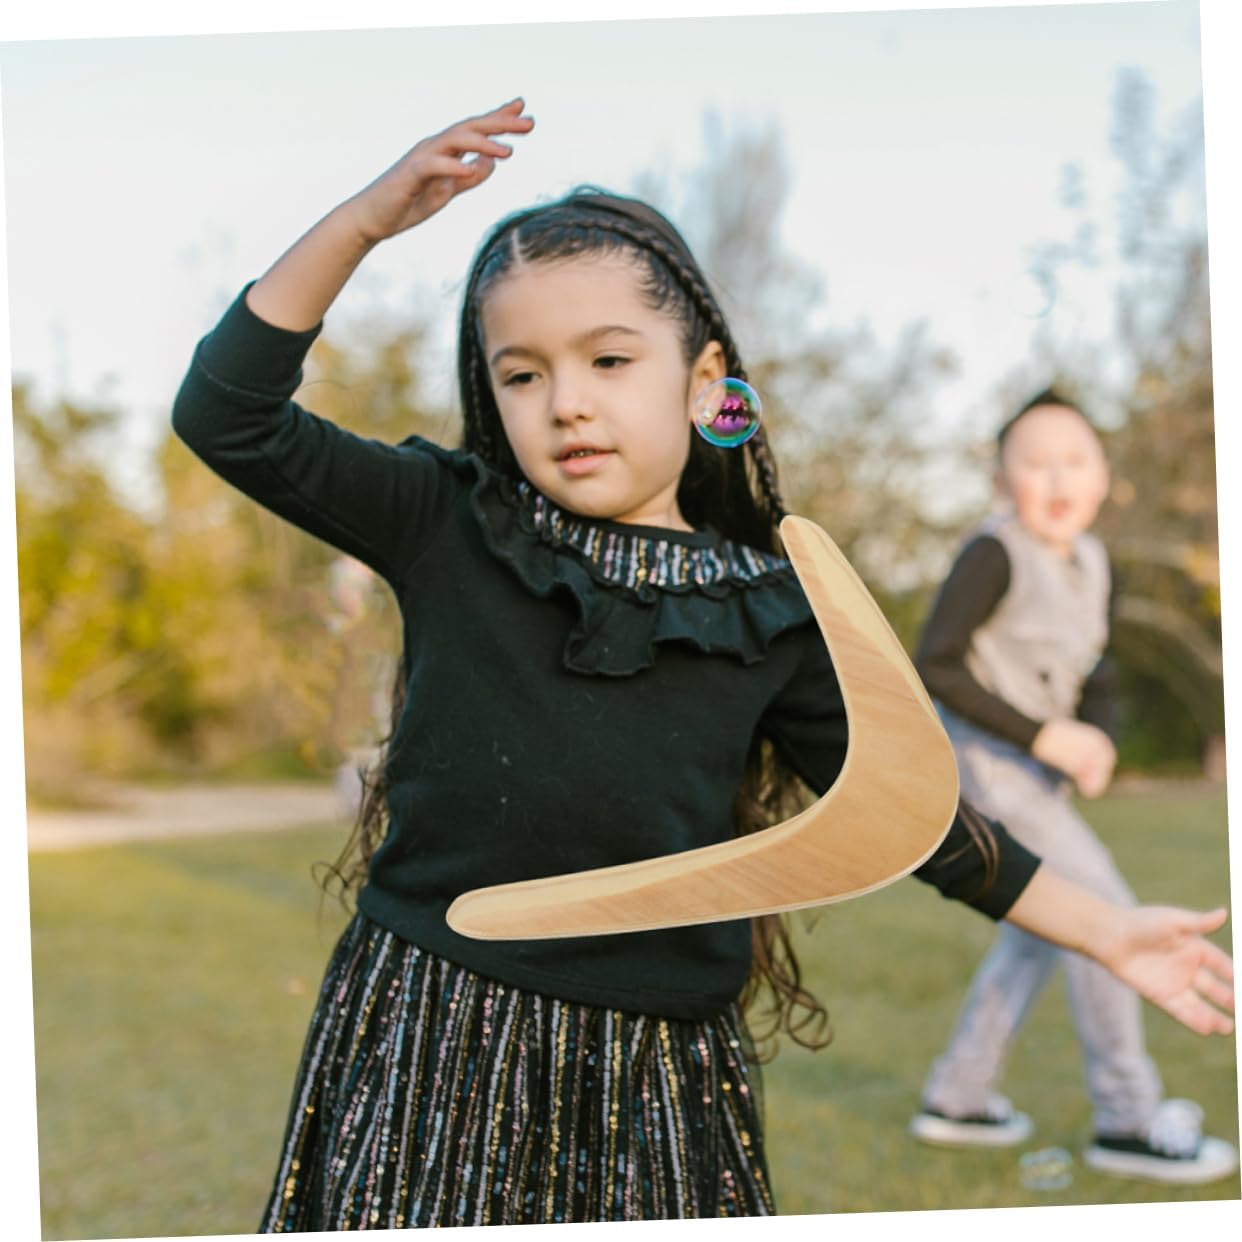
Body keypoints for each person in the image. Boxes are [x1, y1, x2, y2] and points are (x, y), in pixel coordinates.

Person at [171, 100, 1234, 1228]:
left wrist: (1107, 930)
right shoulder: (448, 520)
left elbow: (921, 819)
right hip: (430, 1033)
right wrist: (364, 223)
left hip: (660, 1078)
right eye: (520, 375)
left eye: (609, 359)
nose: (567, 401)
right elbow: (229, 416)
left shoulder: (771, 610)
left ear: (703, 379)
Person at [907, 391, 1238, 1184]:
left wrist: (1099, 738)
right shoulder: (993, 554)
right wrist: (1042, 735)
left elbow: (1099, 670)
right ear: (1002, 480)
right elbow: (936, 664)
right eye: (1036, 462)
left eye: (1076, 460)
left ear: (1103, 477)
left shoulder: (1094, 563)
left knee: (1037, 930)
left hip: (1039, 783)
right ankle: (1127, 1118)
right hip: (984, 774)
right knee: (1105, 916)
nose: (1058, 478)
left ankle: (959, 1096)